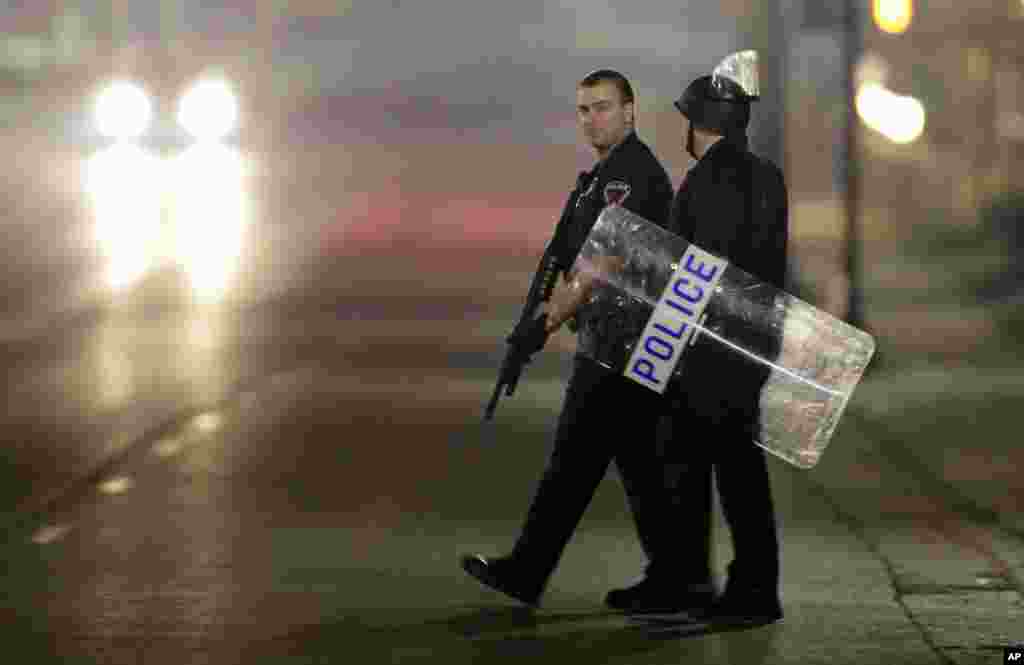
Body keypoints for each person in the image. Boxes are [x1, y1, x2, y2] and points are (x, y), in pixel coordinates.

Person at [459, 69, 678, 608]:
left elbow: (603, 264)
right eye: (583, 109)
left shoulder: (630, 175)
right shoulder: (603, 176)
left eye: (602, 107)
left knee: (575, 462)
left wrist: (546, 321)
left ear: (629, 111)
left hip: (620, 341)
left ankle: (529, 571)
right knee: (634, 465)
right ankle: (676, 577)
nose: (591, 118)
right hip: (619, 342)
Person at [655, 53, 790, 626]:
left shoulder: (705, 182)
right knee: (741, 467)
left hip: (712, 346)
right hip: (758, 338)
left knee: (710, 468)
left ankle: (743, 590)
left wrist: (673, 341)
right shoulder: (767, 175)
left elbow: (699, 271)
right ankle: (739, 583)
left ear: (702, 123)